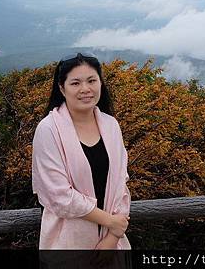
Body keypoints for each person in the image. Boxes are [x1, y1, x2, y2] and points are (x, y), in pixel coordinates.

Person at [31, 52, 131, 250]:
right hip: (69, 242)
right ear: (62, 88)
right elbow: (58, 195)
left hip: (112, 242)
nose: (85, 89)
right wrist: (110, 221)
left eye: (92, 81)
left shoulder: (111, 126)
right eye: (75, 83)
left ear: (101, 83)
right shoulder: (49, 129)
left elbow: (122, 184)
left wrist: (112, 238)